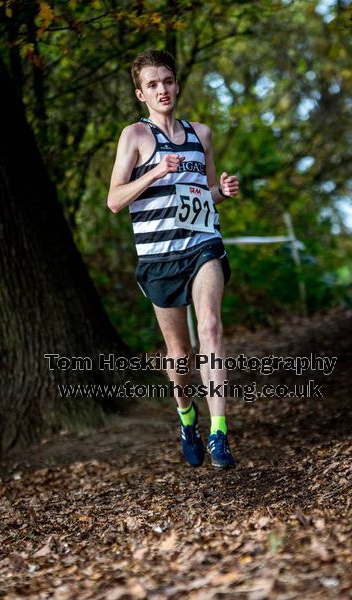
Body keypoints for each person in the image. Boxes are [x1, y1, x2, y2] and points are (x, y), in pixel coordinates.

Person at [107, 49, 239, 468]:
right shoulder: (135, 136)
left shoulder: (201, 133)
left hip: (202, 245)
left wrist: (223, 191)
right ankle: (186, 417)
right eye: (152, 84)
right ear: (140, 94)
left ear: (177, 85)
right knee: (178, 357)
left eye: (167, 81)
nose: (162, 89)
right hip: (159, 257)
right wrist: (155, 172)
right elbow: (114, 200)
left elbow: (205, 194)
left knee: (211, 327)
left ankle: (219, 434)